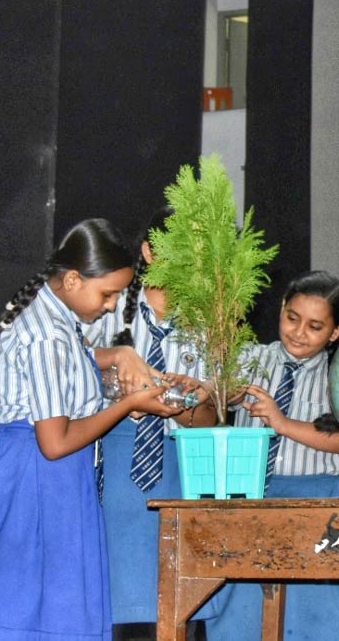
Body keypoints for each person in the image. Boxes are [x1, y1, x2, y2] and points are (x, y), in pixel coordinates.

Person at [0, 218, 182, 641]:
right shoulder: (46, 335)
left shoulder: (61, 321)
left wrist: (117, 358)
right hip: (32, 484)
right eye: (108, 294)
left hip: (56, 484)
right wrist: (129, 405)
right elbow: (55, 441)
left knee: (54, 620)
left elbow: (74, 367)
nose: (111, 305)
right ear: (74, 280)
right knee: (22, 619)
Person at [84, 207, 234, 639]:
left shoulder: (209, 326)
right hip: (115, 468)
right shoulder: (107, 310)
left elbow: (210, 424)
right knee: (119, 608)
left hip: (181, 472)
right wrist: (119, 378)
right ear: (149, 252)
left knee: (178, 610)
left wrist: (192, 399)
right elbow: (70, 373)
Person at [226, 270, 339, 641]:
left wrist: (282, 423)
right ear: (281, 309)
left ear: (336, 332)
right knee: (243, 613)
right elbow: (217, 396)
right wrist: (224, 390)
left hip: (319, 503)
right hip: (249, 499)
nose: (298, 332)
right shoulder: (251, 358)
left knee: (319, 614)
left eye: (315, 326)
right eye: (292, 318)